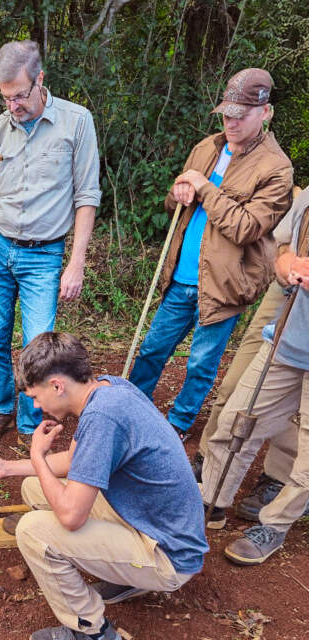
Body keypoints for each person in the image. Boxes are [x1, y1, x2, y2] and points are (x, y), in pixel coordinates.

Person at [0, 332, 208, 640]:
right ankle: (126, 575)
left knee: (32, 532)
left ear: (57, 385)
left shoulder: (102, 417)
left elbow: (72, 517)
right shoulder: (108, 388)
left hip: (169, 555)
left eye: (35, 396)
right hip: (152, 520)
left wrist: (38, 456)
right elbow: (74, 460)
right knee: (34, 487)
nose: (36, 405)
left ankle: (91, 630)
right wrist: (8, 468)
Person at [128, 68, 293, 442]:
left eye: (241, 115)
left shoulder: (277, 169)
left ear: (265, 112)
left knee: (201, 365)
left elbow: (248, 228)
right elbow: (176, 206)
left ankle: (178, 424)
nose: (231, 122)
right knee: (152, 350)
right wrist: (179, 192)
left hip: (223, 285)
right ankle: (130, 409)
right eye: (226, 114)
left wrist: (204, 188)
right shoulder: (207, 147)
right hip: (181, 278)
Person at [0, 40, 101, 448]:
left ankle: (28, 423)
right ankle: (3, 406)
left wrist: (76, 263)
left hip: (44, 254)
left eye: (19, 95)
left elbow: (86, 197)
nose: (13, 105)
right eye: (6, 98)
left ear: (40, 79)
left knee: (37, 344)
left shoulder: (76, 122)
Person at [200, 189, 309, 565]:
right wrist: (288, 265)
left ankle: (274, 526)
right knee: (236, 420)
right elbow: (280, 251)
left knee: (308, 457)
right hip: (288, 339)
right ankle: (211, 501)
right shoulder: (308, 198)